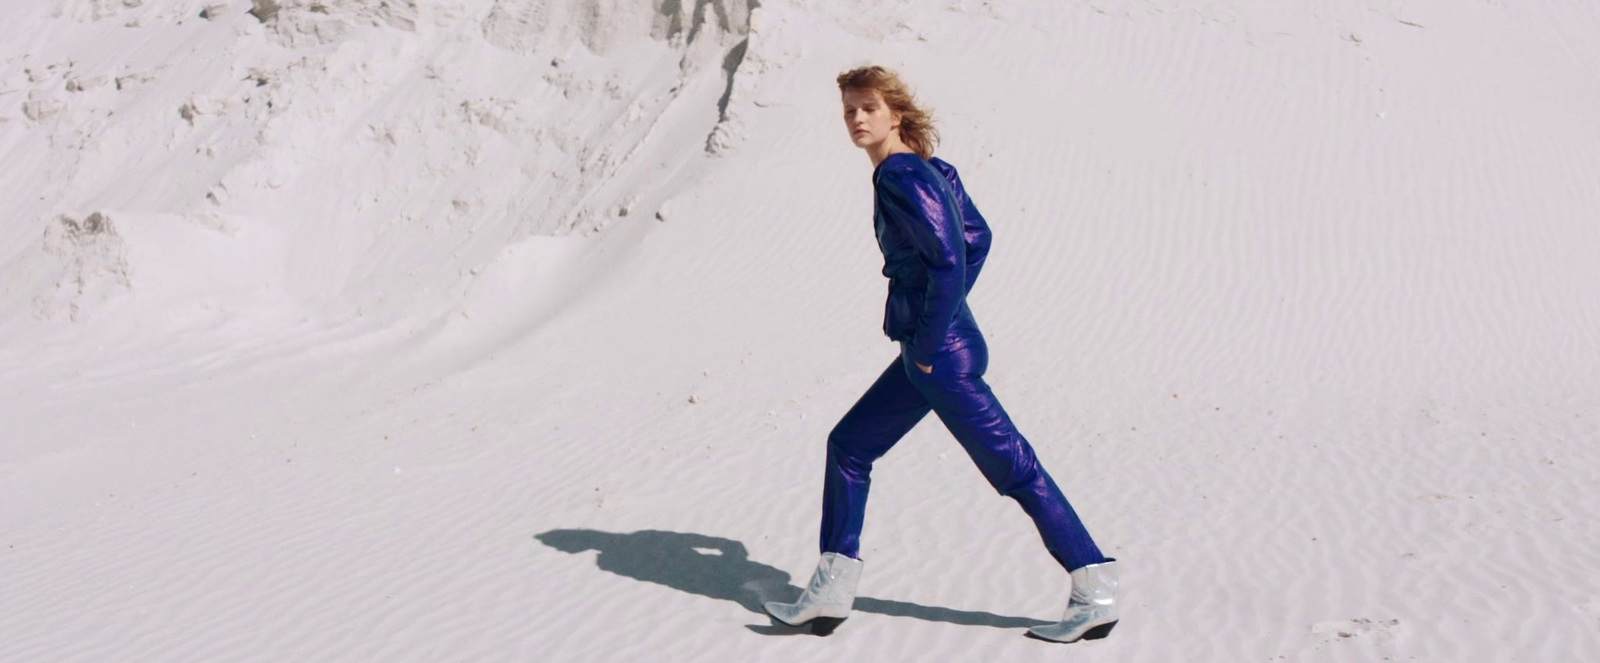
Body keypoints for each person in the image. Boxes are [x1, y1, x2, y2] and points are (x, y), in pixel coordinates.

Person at [761, 65, 1120, 643]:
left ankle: (1094, 585)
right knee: (850, 446)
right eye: (849, 110)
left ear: (894, 114)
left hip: (938, 357)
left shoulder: (902, 176)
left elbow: (951, 259)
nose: (856, 119)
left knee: (1014, 469)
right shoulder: (932, 170)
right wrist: (937, 326)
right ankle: (829, 591)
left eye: (867, 109)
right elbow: (977, 237)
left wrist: (929, 342)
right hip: (937, 349)